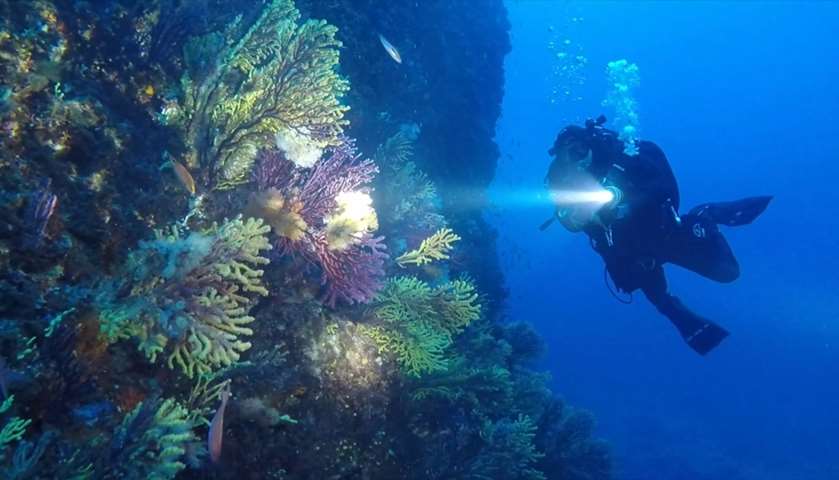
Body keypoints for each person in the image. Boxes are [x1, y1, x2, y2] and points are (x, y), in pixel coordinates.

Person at [542, 116, 771, 355]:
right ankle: (677, 313)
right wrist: (576, 218)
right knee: (649, 293)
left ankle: (706, 215)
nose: (575, 162)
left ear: (589, 143)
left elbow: (662, 188)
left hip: (663, 231)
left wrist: (622, 204)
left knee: (728, 273)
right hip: (626, 248)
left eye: (578, 151)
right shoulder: (560, 177)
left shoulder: (624, 155)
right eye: (566, 156)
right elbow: (564, 215)